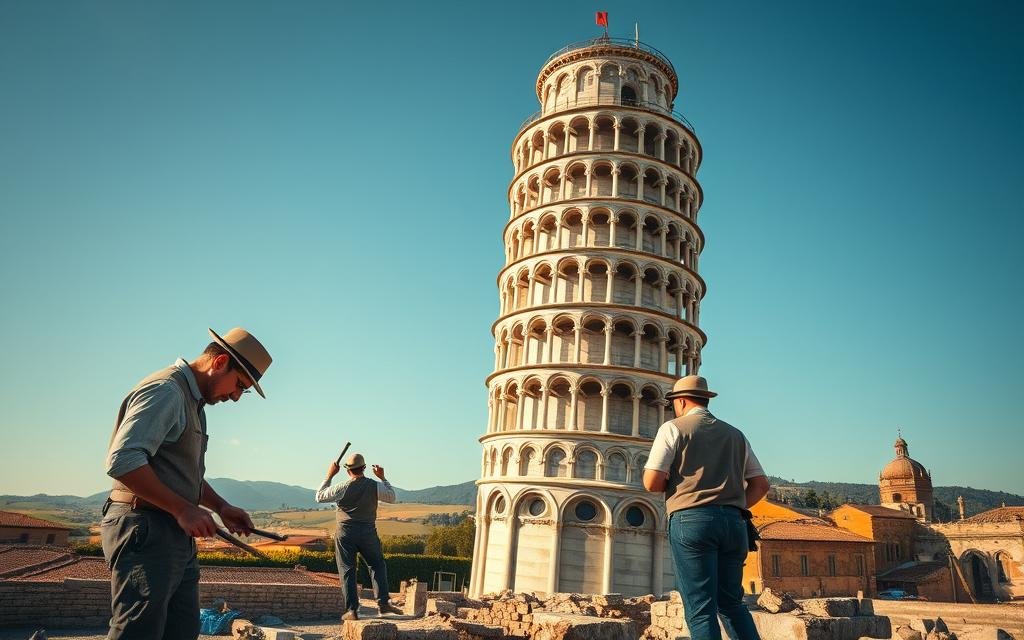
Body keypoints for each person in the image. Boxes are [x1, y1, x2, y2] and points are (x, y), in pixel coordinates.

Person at [102, 327, 273, 640]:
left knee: (181, 631)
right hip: (145, 528)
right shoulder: (166, 390)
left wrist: (221, 506)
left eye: (243, 391)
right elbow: (122, 460)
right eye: (238, 385)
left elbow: (182, 472)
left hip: (171, 531)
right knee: (137, 633)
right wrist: (182, 508)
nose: (236, 397)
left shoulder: (194, 402)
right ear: (220, 362)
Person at [643, 375, 770, 640]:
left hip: (692, 521)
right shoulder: (736, 434)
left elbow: (652, 481)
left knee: (700, 609)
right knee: (733, 604)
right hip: (735, 523)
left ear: (681, 401)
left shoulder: (673, 428)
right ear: (706, 400)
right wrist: (731, 505)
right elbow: (761, 485)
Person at [316, 453, 402, 620]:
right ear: (364, 468)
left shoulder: (341, 488)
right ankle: (383, 603)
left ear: (347, 470)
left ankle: (352, 610)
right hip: (368, 532)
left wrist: (329, 475)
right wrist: (383, 478)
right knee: (377, 565)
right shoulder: (374, 486)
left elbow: (319, 496)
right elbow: (392, 497)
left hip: (345, 534)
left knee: (347, 569)